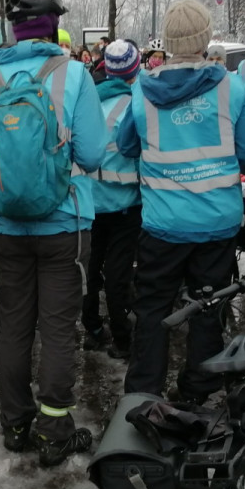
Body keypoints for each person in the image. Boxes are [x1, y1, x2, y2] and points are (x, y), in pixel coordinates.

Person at [0, 0, 105, 466]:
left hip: (8, 229)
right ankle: (54, 430)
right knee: (58, 329)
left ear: (13, 30)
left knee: (16, 326)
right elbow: (94, 154)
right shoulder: (75, 74)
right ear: (53, 28)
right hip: (65, 225)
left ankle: (15, 425)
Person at [117, 0, 245, 401]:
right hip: (217, 223)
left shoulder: (142, 89)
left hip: (163, 224)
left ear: (169, 40)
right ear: (204, 39)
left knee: (153, 311)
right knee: (208, 307)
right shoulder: (232, 88)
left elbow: (126, 144)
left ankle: (144, 392)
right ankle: (199, 388)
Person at [80, 40, 142, 361]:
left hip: (91, 203)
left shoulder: (88, 103)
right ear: (133, 71)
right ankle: (122, 338)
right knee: (118, 273)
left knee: (91, 269)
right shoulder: (134, 106)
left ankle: (91, 329)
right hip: (125, 205)